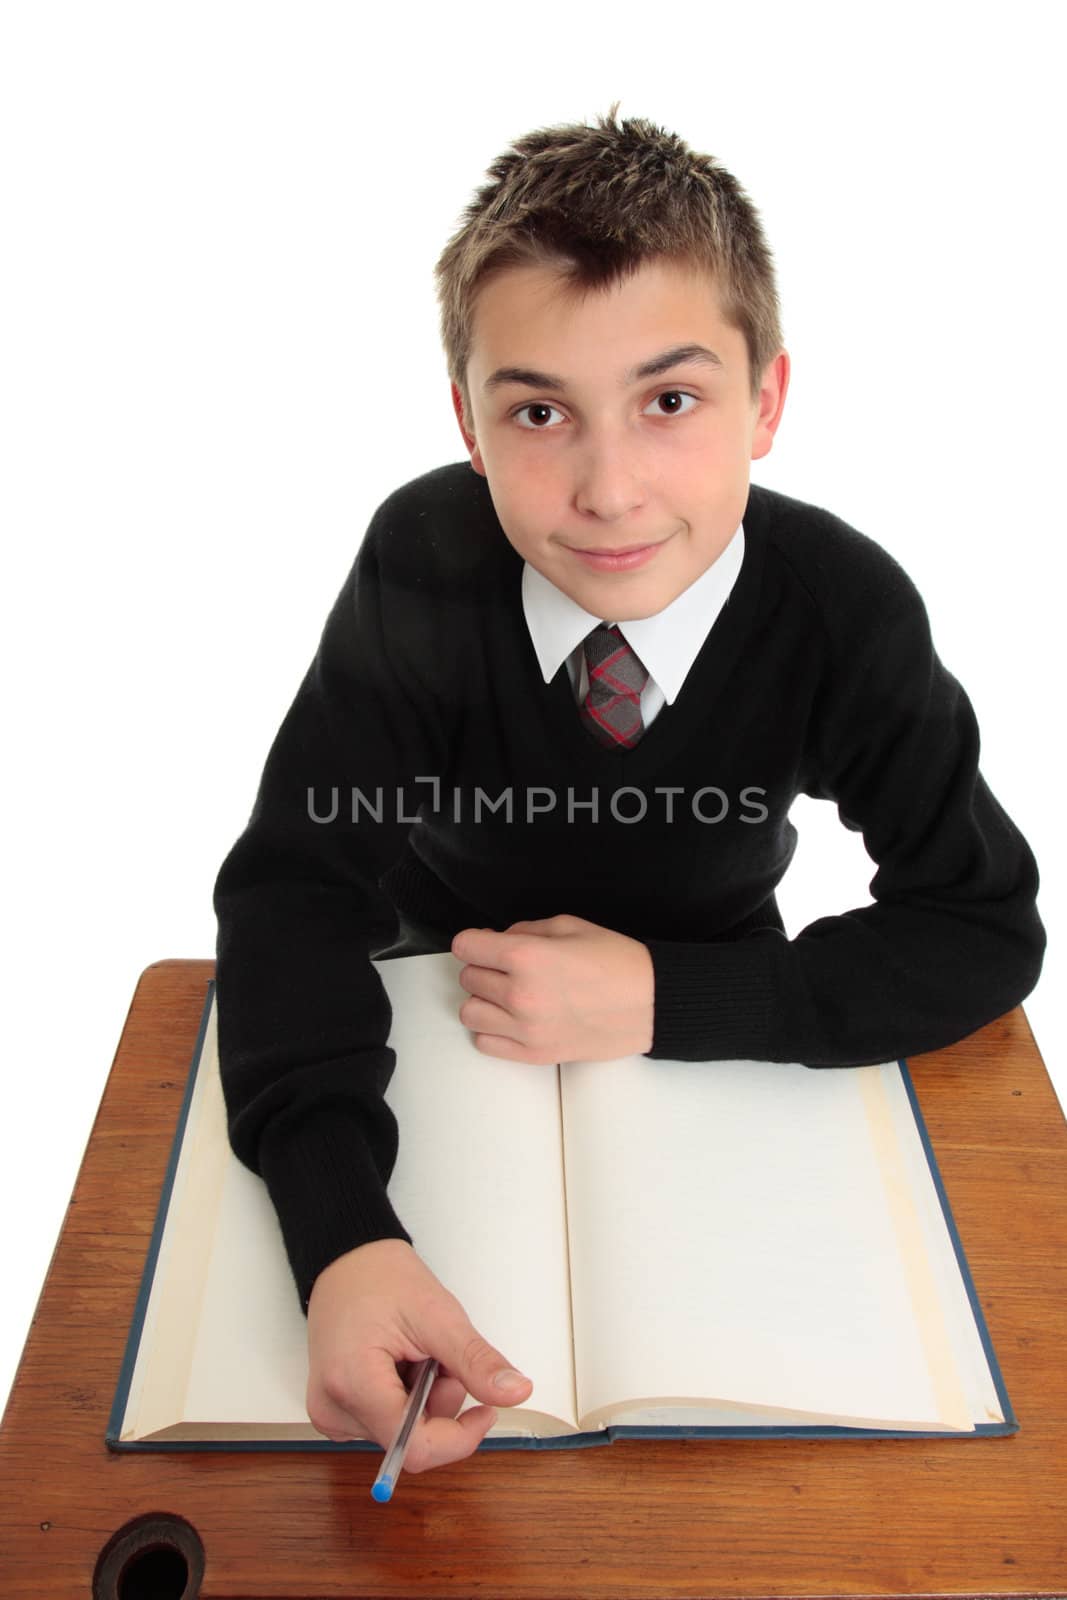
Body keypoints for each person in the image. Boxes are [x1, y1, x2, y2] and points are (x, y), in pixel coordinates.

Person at [212, 104, 1045, 1475]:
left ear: (766, 402)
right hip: (440, 988)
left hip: (720, 1018)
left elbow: (981, 925)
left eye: (671, 401)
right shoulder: (423, 559)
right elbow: (298, 885)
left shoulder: (841, 609)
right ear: (469, 426)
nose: (607, 490)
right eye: (539, 411)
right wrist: (342, 1237)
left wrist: (666, 997)